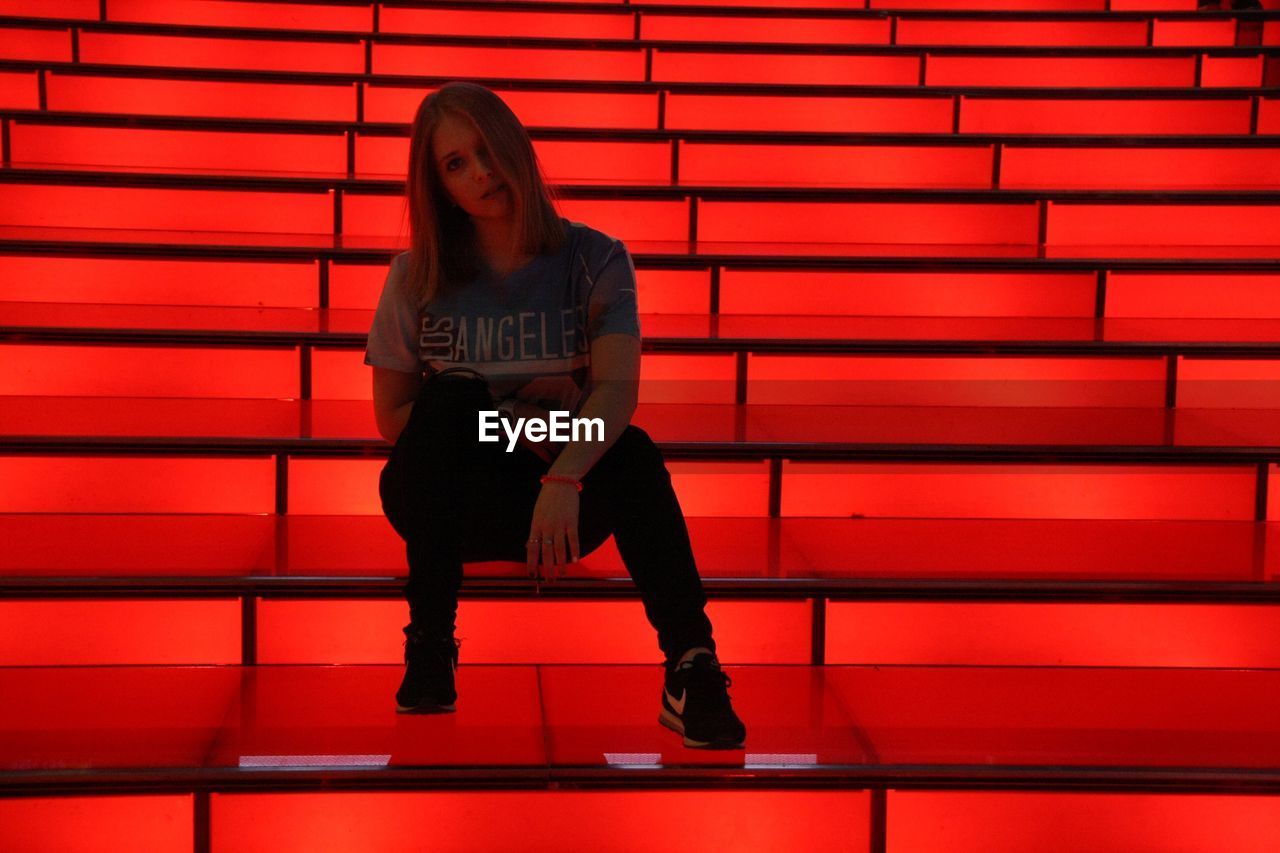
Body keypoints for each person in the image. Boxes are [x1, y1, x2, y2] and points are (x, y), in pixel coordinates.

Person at [363, 81, 746, 749]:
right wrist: (510, 430)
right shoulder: (414, 276)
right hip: (449, 501)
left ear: (517, 144)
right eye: (456, 164)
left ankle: (692, 666)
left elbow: (616, 396)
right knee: (450, 397)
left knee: (636, 452)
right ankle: (430, 642)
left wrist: (564, 476)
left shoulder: (595, 259)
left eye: (486, 150)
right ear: (439, 186)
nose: (481, 173)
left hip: (561, 497)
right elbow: (395, 415)